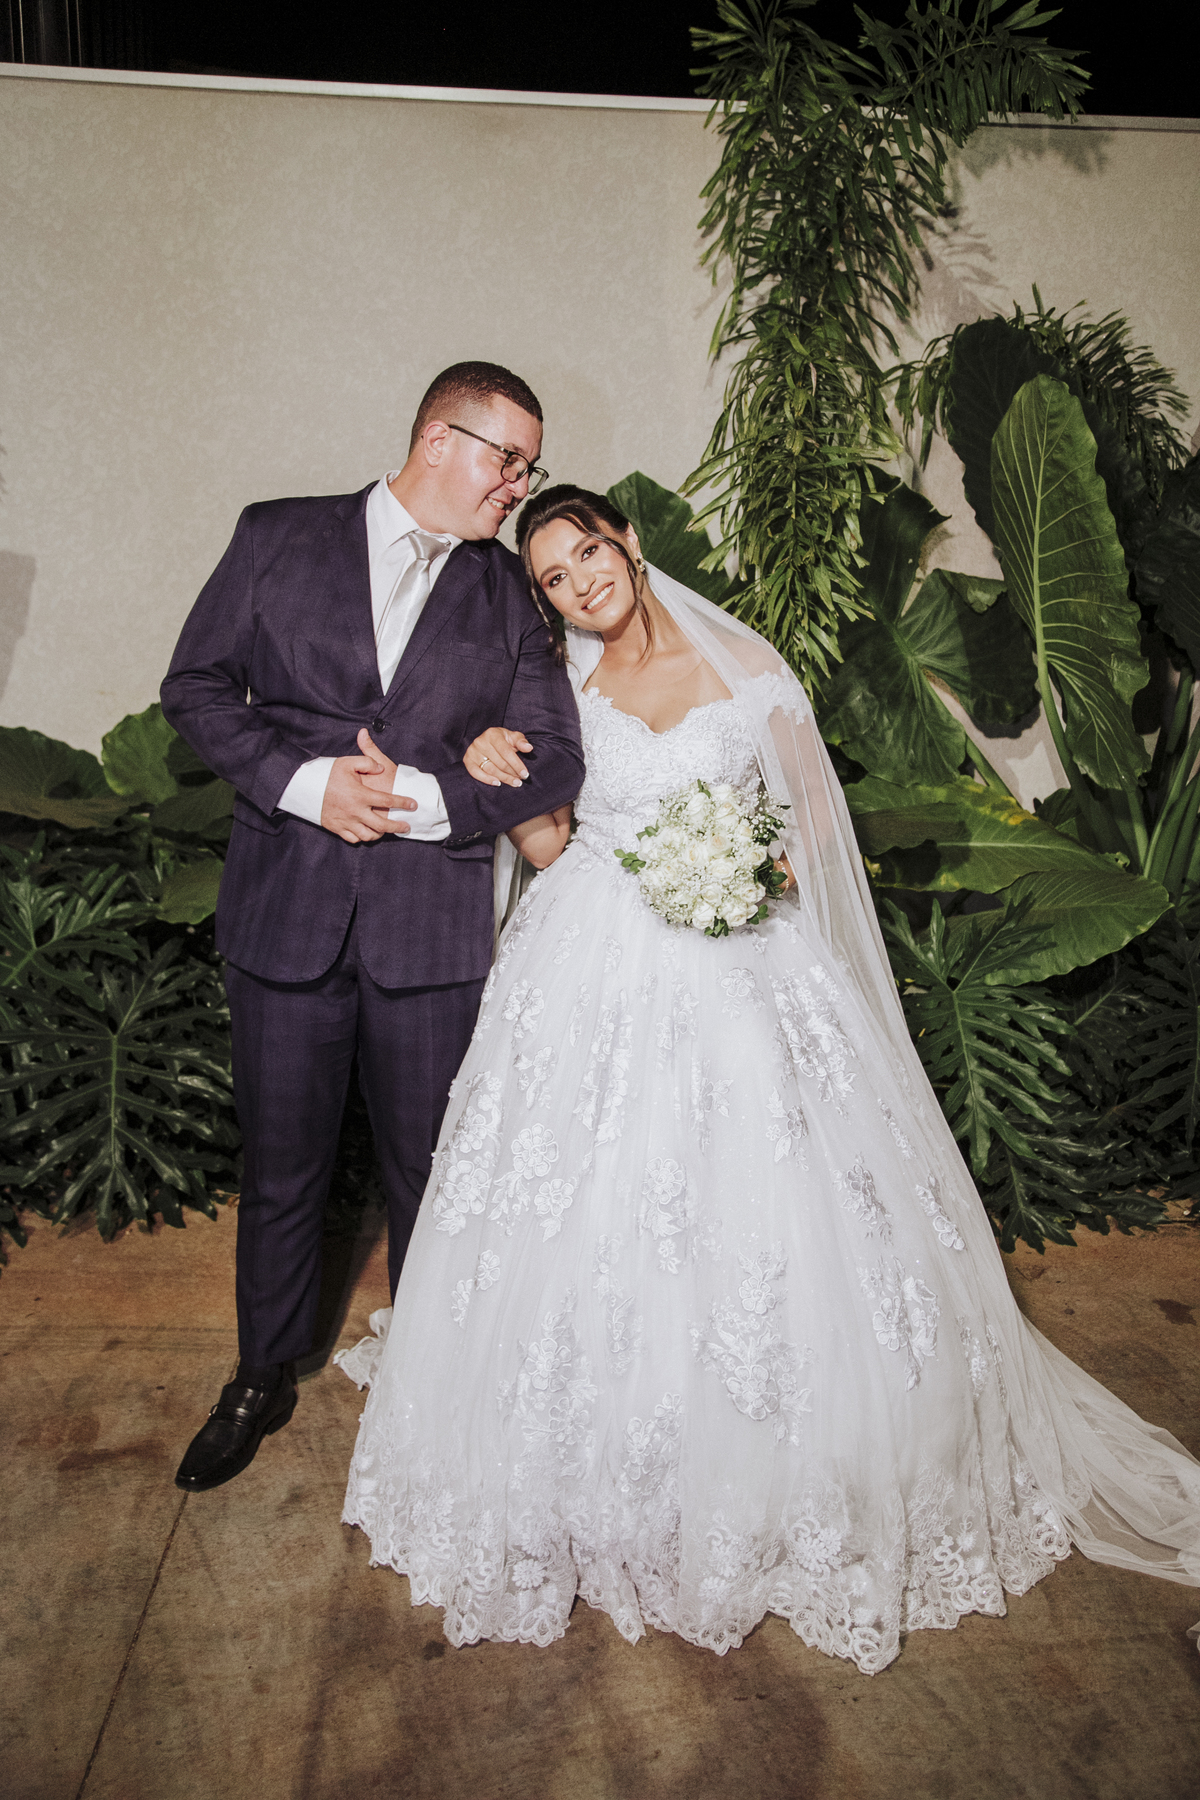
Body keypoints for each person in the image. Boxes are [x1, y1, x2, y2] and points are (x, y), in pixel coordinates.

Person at [339, 485, 1200, 1671]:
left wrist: (749, 870)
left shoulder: (747, 666)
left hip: (739, 953)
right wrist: (498, 768)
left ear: (628, 541)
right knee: (576, 1196)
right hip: (589, 954)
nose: (582, 583)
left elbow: (811, 827)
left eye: (589, 552)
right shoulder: (554, 685)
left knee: (769, 1189)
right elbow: (551, 842)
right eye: (554, 579)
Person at [160, 366, 585, 1494]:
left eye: (529, 467)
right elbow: (195, 687)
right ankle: (259, 1376)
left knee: (432, 1172)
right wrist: (304, 785)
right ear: (439, 439)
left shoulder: (512, 593)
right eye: (508, 460)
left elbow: (559, 752)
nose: (520, 486)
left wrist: (433, 801)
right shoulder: (276, 536)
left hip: (431, 929)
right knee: (282, 1164)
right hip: (284, 912)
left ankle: (434, 1389)